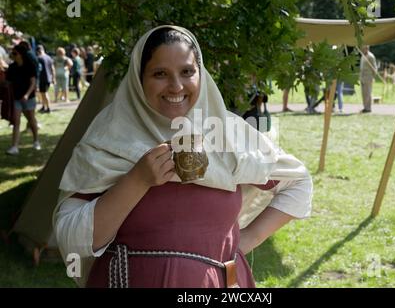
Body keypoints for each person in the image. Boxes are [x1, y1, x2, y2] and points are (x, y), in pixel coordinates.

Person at [53, 26, 313, 288]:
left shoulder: (231, 136)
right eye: (160, 74)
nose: (176, 86)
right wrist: (138, 180)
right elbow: (73, 241)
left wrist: (246, 239)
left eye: (187, 72)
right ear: (139, 79)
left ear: (201, 74)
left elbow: (298, 183)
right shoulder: (109, 139)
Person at [5, 44, 41, 155]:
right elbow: (8, 82)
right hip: (16, 98)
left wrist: (27, 94)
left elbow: (33, 82)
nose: (13, 55)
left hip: (28, 98)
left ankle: (36, 141)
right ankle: (14, 147)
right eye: (12, 53)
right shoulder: (12, 67)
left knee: (31, 120)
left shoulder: (29, 66)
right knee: (16, 122)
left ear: (21, 54)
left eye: (15, 53)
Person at [36, 45, 55, 113]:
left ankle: (48, 108)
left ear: (38, 51)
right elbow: (52, 68)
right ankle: (44, 106)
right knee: (43, 93)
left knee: (44, 93)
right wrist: (53, 78)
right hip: (49, 77)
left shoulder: (39, 58)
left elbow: (38, 69)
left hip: (43, 78)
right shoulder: (49, 57)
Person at [359, 45, 377, 113]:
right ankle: (365, 107)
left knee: (368, 93)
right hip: (362, 77)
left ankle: (368, 108)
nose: (362, 50)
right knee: (363, 93)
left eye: (363, 49)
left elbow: (374, 68)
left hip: (368, 77)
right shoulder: (363, 56)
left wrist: (373, 77)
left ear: (366, 48)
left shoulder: (371, 56)